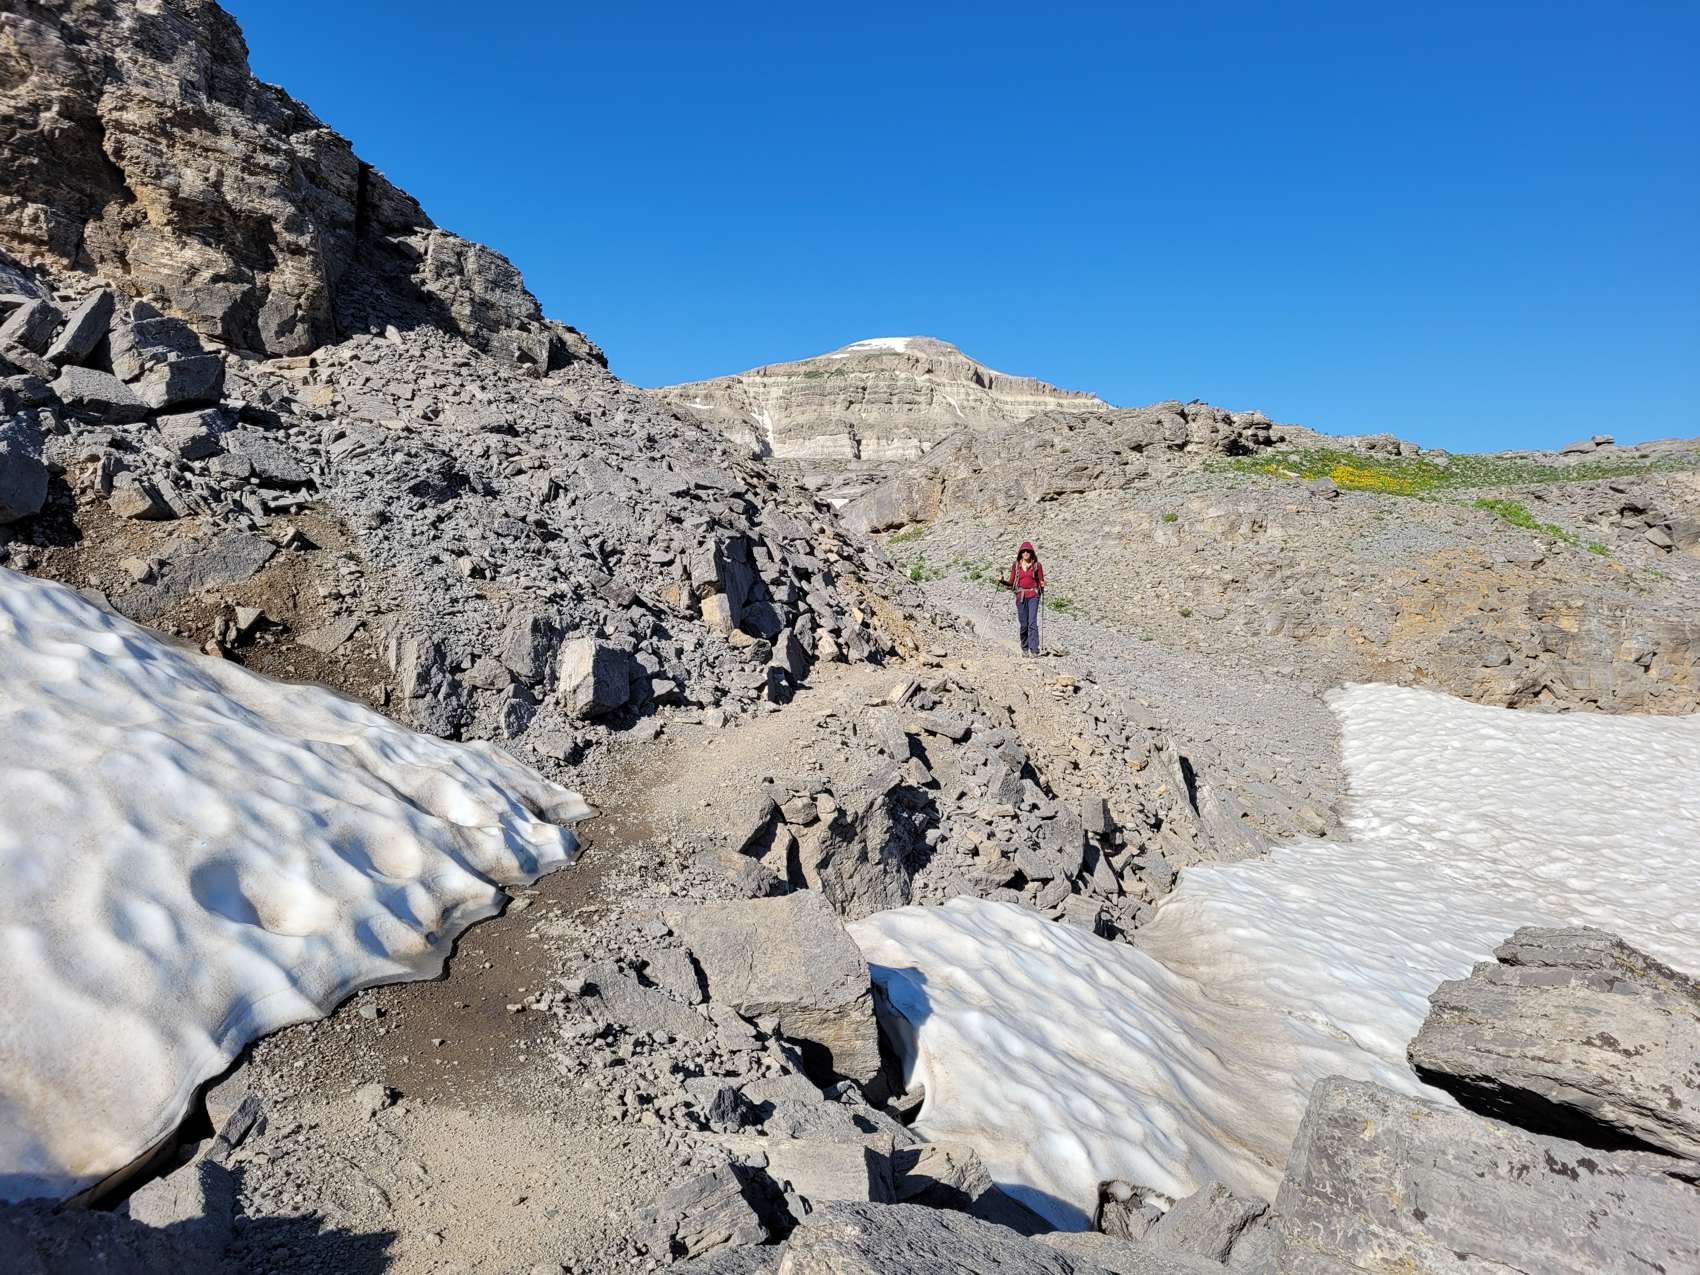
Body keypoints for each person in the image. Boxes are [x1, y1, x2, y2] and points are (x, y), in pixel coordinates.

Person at [1007, 540, 1045, 657]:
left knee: (1032, 622)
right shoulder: (1016, 565)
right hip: (1021, 596)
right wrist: (1004, 583)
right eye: (1023, 551)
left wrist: (1042, 584)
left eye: (1028, 551)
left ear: (1031, 552)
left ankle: (1034, 650)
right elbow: (1011, 581)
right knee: (1024, 624)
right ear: (1020, 553)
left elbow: (1041, 580)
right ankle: (1025, 647)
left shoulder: (1037, 565)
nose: (1026, 553)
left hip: (1033, 595)